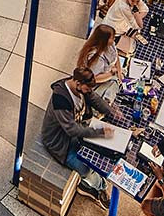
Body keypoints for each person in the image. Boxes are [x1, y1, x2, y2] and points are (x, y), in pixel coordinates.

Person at [40, 65, 117, 206]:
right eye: (87, 89)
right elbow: (72, 130)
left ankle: (95, 183)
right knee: (86, 169)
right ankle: (99, 187)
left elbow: (94, 98)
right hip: (60, 143)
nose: (89, 92)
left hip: (76, 133)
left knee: (98, 155)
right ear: (78, 83)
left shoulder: (80, 87)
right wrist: (100, 132)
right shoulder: (60, 100)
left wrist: (111, 112)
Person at [75, 23, 122, 100]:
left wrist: (119, 73)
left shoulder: (110, 44)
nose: (114, 39)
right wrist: (112, 73)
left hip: (110, 74)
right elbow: (94, 78)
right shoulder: (96, 58)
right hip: (96, 82)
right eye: (112, 38)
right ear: (104, 40)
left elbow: (115, 55)